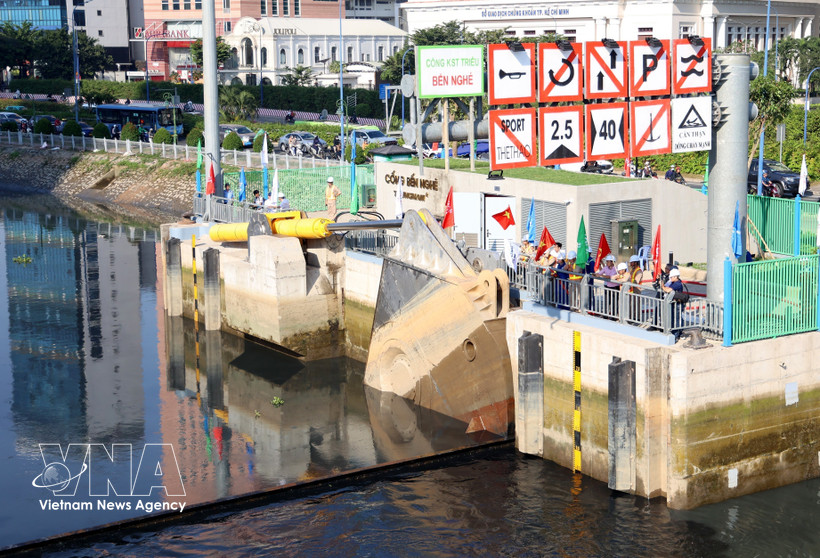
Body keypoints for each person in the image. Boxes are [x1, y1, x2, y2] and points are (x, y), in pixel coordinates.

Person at [662, 268, 686, 332]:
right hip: (675, 303)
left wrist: (662, 286)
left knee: (677, 319)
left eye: (671, 277)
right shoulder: (674, 282)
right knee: (674, 318)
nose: (670, 278)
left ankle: (678, 332)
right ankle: (675, 331)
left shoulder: (677, 284)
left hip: (678, 304)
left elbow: (668, 289)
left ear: (675, 277)